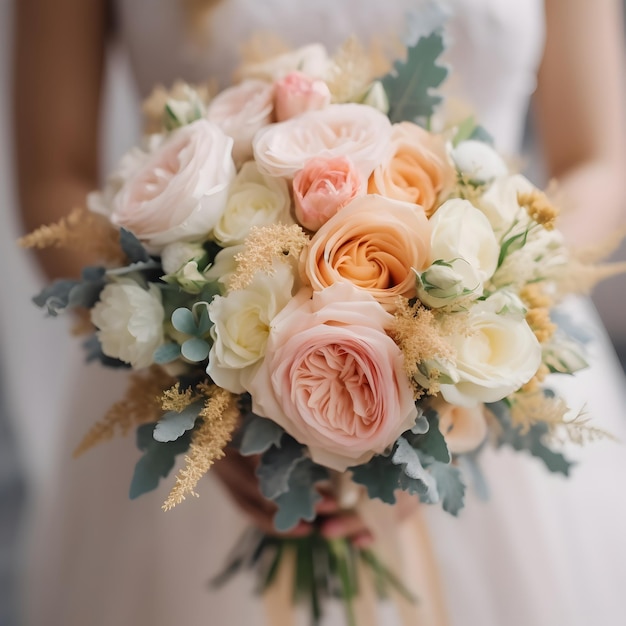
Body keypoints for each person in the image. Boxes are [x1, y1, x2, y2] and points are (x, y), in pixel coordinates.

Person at [12, 0, 626, 625]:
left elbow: (598, 164)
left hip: (498, 391)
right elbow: (53, 183)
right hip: (193, 391)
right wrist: (208, 395)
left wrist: (465, 358)